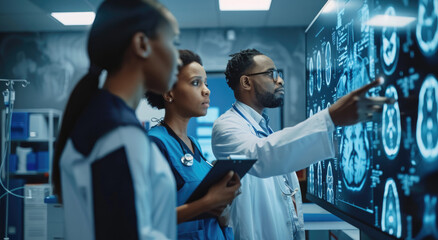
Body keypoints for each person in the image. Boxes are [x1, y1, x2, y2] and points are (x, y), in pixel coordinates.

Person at [211, 49, 392, 239]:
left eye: (279, 74)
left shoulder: (263, 128)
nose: (280, 80)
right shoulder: (226, 127)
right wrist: (330, 117)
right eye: (270, 74)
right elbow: (261, 156)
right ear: (246, 82)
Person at [51, 0, 180, 239]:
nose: (178, 59)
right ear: (142, 44)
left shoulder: (106, 121)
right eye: (173, 42)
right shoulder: (119, 133)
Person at [146, 49, 241, 239]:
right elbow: (147, 219)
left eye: (205, 83)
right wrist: (208, 203)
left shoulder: (193, 144)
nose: (207, 90)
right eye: (195, 83)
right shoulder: (154, 144)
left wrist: (221, 208)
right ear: (169, 93)